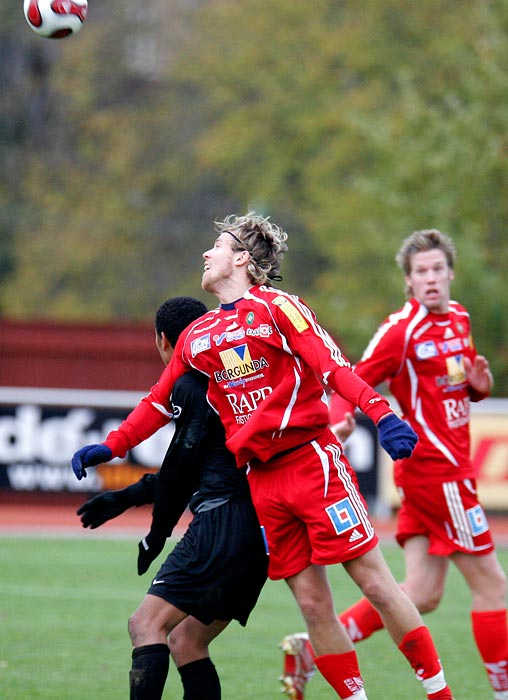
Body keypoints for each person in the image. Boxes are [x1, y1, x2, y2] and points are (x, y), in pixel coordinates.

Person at [72, 212, 455, 700]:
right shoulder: (199, 335)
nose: (206, 254)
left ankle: (440, 694)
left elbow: (334, 368)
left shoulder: (279, 309)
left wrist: (381, 415)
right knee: (314, 606)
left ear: (241, 258)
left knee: (377, 586)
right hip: (263, 484)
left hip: (312, 464)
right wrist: (112, 446)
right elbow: (157, 401)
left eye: (216, 246)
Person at [279, 228, 508, 700]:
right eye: (420, 272)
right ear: (408, 280)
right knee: (493, 587)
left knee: (422, 594)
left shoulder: (459, 319)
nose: (430, 279)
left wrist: (478, 387)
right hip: (437, 471)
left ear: (450, 273)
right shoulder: (402, 330)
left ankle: (308, 649)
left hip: (439, 472)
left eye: (437, 270)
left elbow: (455, 386)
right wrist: (339, 424)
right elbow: (351, 379)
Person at [74, 295, 268, 700]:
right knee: (186, 641)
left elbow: (182, 464)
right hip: (258, 531)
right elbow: (198, 462)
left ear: (164, 341)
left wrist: (156, 534)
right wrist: (128, 496)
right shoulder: (237, 372)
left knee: (145, 626)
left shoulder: (190, 383)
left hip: (220, 524)